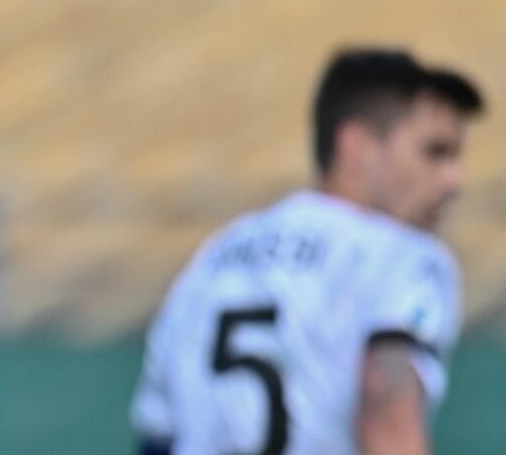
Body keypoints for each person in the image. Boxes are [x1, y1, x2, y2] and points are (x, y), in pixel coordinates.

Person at [131, 49, 484, 455]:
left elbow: (159, 431)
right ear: (357, 145)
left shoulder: (216, 255)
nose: (454, 180)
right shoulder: (402, 257)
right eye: (435, 153)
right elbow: (386, 399)